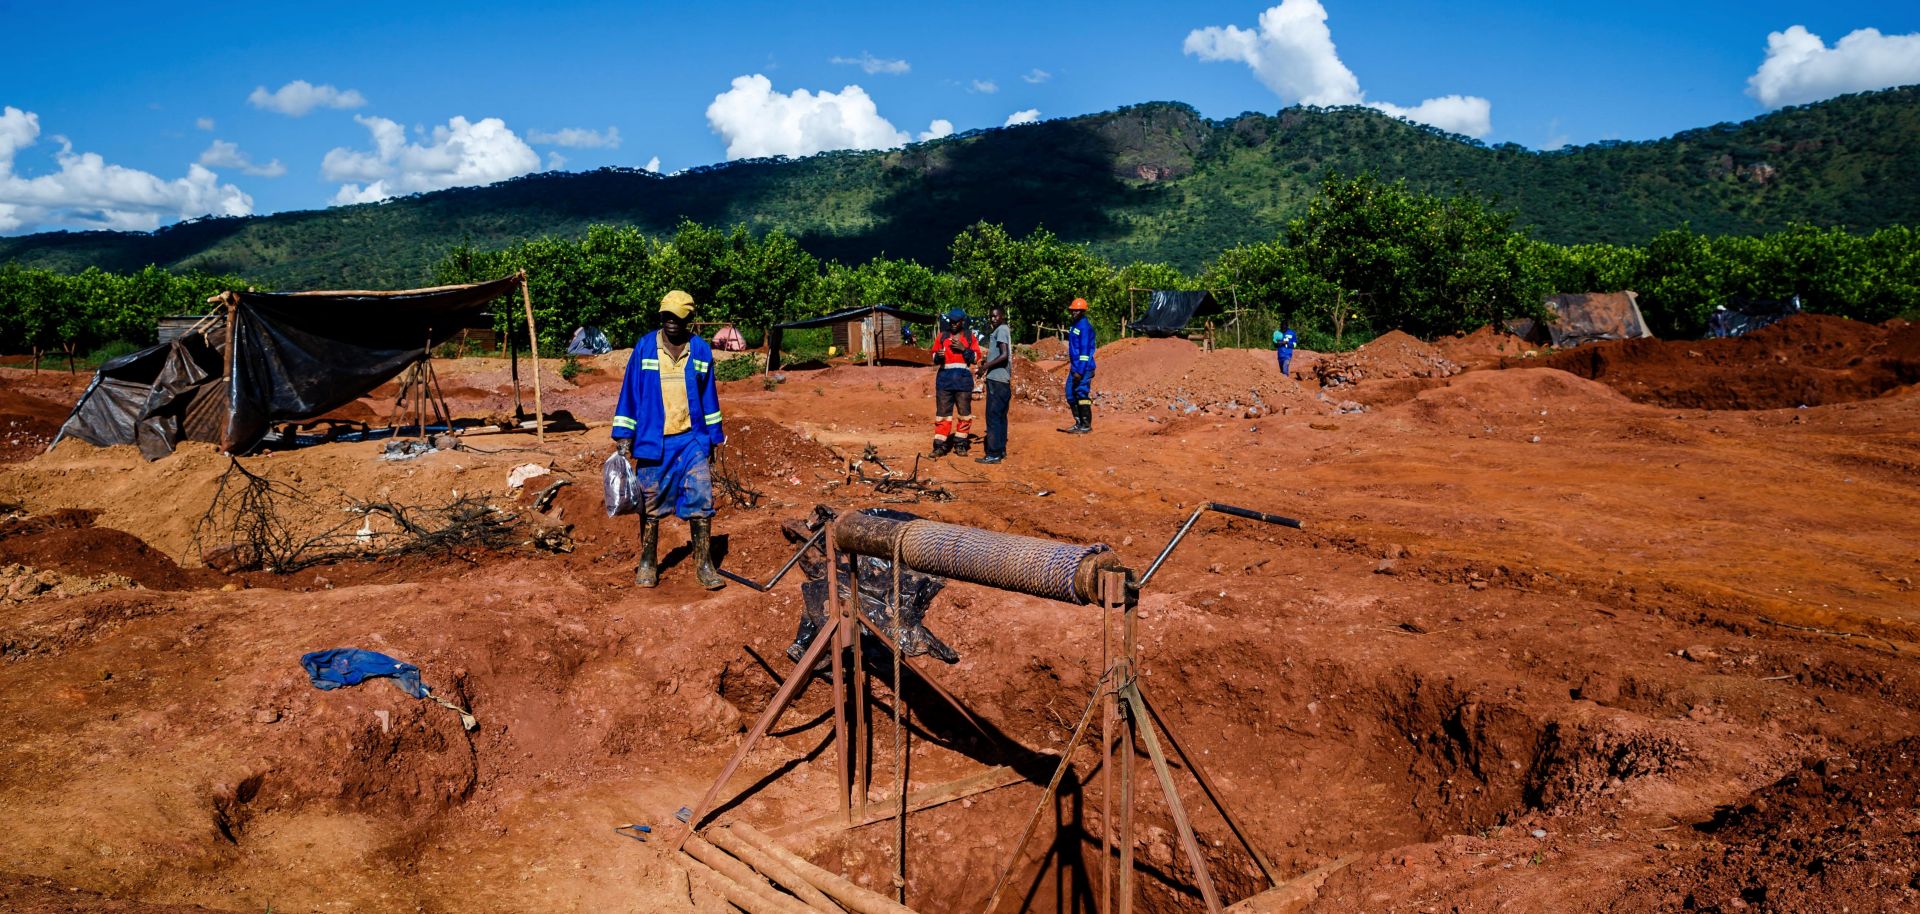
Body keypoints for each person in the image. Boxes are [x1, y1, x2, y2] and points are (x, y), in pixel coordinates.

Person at [612, 290, 726, 590]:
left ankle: (703, 564)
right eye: (667, 317)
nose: (672, 323)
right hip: (653, 441)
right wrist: (624, 437)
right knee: (650, 503)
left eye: (678, 317)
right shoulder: (645, 348)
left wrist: (713, 440)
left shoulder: (700, 351)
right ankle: (648, 561)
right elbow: (630, 393)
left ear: (690, 319)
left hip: (691, 441)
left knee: (702, 499)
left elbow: (709, 398)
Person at [929, 307, 980, 457]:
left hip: (963, 383)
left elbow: (977, 358)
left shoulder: (970, 337)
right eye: (951, 321)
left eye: (956, 322)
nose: (953, 324)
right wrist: (938, 356)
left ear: (962, 322)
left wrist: (964, 349)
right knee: (943, 415)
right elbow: (933, 358)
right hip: (944, 382)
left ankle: (960, 444)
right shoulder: (942, 336)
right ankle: (940, 446)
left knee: (964, 414)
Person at [975, 305, 1013, 464]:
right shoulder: (1001, 330)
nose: (993, 319)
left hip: (997, 381)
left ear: (1002, 316)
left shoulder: (1002, 330)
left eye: (996, 316)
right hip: (1001, 380)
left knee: (993, 417)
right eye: (991, 316)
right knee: (1001, 417)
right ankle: (1001, 450)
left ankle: (993, 453)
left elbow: (1004, 355)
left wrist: (986, 366)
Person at [1059, 297, 1095, 434]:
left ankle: (1086, 424)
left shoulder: (1084, 327)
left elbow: (1085, 352)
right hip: (1075, 367)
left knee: (1081, 394)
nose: (1074, 312)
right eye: (1072, 310)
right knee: (1070, 394)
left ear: (1083, 311)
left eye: (1077, 310)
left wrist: (1080, 371)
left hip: (1083, 368)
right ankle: (1078, 422)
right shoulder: (1075, 325)